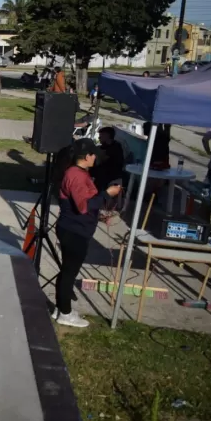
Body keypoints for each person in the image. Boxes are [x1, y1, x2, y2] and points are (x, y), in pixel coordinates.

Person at [55, 138, 122, 327]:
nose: (96, 158)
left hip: (77, 228)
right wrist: (107, 194)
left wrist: (99, 215)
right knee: (69, 272)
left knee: (67, 270)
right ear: (86, 156)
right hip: (74, 231)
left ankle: (61, 308)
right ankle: (65, 314)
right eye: (94, 155)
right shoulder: (75, 175)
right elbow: (83, 206)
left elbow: (85, 204)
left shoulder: (80, 173)